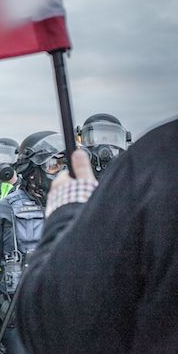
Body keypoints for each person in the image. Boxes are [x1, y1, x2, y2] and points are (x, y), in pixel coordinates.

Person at [17, 119, 178, 353]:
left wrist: (67, 210)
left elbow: (61, 320)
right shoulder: (156, 162)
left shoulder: (157, 158)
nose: (106, 150)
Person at [0, 131, 66, 354]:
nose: (62, 171)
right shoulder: (3, 211)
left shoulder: (81, 205)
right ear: (30, 172)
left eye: (65, 164)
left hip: (69, 318)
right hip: (20, 321)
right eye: (54, 165)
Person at [76, 113, 132, 179]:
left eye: (110, 140)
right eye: (96, 139)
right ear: (82, 140)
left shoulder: (127, 169)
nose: (104, 146)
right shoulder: (75, 169)